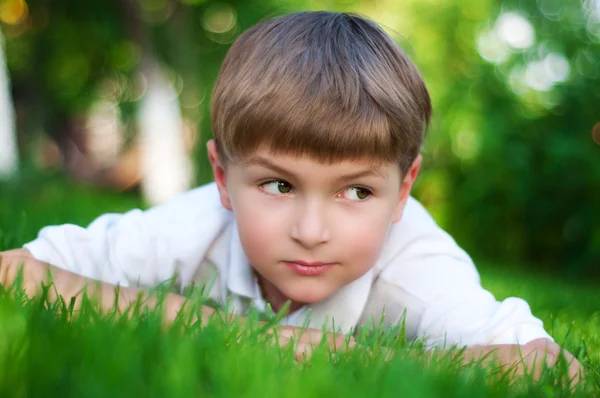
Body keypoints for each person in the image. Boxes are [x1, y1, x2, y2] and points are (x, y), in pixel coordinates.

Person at [0, 11, 582, 380]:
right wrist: (188, 318)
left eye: (356, 191)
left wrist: (261, 341)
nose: (310, 229)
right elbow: (15, 271)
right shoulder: (191, 224)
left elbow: (548, 369)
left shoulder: (416, 264)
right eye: (278, 185)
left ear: (403, 190)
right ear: (223, 180)